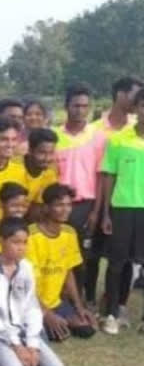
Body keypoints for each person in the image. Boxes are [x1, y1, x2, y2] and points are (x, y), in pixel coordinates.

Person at [0, 217, 66, 366]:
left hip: (23, 332)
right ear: (1, 241)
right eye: (15, 242)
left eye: (24, 242)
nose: (21, 247)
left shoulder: (26, 268)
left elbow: (32, 307)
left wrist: (32, 345)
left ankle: (22, 355)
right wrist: (16, 346)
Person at [53, 84, 107, 309]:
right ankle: (59, 298)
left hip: (86, 205)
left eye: (85, 106)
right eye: (76, 105)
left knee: (85, 256)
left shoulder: (98, 137)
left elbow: (102, 175)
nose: (80, 110)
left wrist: (96, 211)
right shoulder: (55, 135)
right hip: (57, 205)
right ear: (67, 106)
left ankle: (85, 299)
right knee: (58, 253)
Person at [27, 184, 96, 341]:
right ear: (46, 207)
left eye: (68, 205)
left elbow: (68, 272)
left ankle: (60, 318)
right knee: (56, 334)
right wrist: (46, 313)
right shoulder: (31, 235)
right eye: (59, 205)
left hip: (55, 302)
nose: (65, 210)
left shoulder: (69, 233)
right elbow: (23, 282)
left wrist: (79, 307)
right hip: (32, 302)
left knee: (86, 328)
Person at [100, 88, 144, 334]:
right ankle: (112, 314)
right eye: (143, 105)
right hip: (123, 209)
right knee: (117, 263)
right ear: (136, 109)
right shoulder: (118, 140)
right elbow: (108, 176)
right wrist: (106, 213)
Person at [24, 128, 59, 219]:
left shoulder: (50, 173)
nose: (47, 158)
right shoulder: (13, 168)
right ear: (30, 150)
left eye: (51, 153)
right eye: (42, 153)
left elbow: (38, 208)